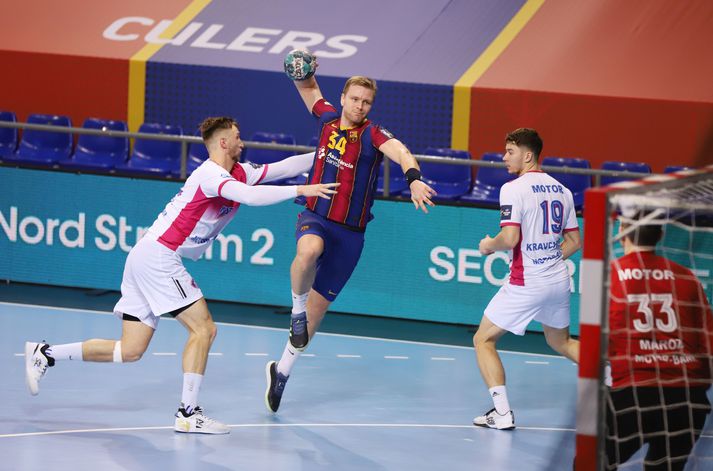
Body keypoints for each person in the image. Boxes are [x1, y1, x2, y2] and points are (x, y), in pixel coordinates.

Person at [25, 116, 338, 434]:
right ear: (224, 143)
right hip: (159, 256)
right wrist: (302, 189)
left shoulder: (242, 172)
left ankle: (46, 354)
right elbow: (250, 197)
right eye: (238, 136)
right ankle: (188, 412)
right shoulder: (210, 175)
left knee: (130, 350)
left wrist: (330, 153)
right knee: (204, 329)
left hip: (146, 254)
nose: (243, 142)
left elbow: (285, 166)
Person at [264, 63, 437, 413]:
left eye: (366, 102)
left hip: (351, 235)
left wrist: (414, 178)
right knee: (308, 250)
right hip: (316, 216)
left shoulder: (373, 134)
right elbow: (309, 89)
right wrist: (300, 71)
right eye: (355, 99)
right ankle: (294, 311)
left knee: (316, 314)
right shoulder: (327, 118)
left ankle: (281, 371)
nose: (359, 106)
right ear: (342, 98)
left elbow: (401, 151)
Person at [473, 128, 581, 430]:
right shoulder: (563, 190)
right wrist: (548, 259)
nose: (504, 157)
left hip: (526, 282)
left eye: (510, 151)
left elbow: (509, 238)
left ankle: (502, 413)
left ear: (528, 155)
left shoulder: (513, 188)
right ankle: (613, 376)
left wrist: (487, 245)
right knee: (561, 342)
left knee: (483, 340)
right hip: (557, 280)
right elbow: (574, 241)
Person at [604, 208, 712, 470]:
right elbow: (708, 344)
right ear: (661, 234)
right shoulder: (687, 276)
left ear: (621, 232)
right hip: (687, 400)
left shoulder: (610, 277)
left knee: (592, 463)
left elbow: (601, 347)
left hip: (631, 395)